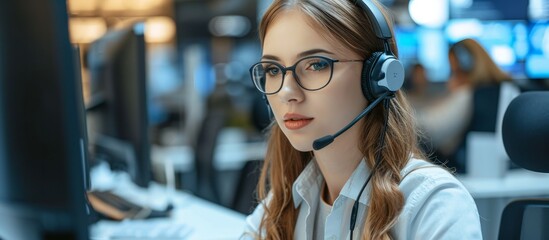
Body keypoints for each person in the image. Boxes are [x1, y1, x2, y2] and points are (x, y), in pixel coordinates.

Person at [242, 1, 482, 239]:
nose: (286, 92)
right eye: (273, 70)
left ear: (378, 77)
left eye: (316, 65)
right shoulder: (284, 204)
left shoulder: (432, 206)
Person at [416, 38, 520, 173]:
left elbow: (429, 129)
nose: (451, 79)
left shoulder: (470, 93)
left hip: (475, 174)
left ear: (467, 67)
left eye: (455, 72)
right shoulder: (509, 88)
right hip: (513, 173)